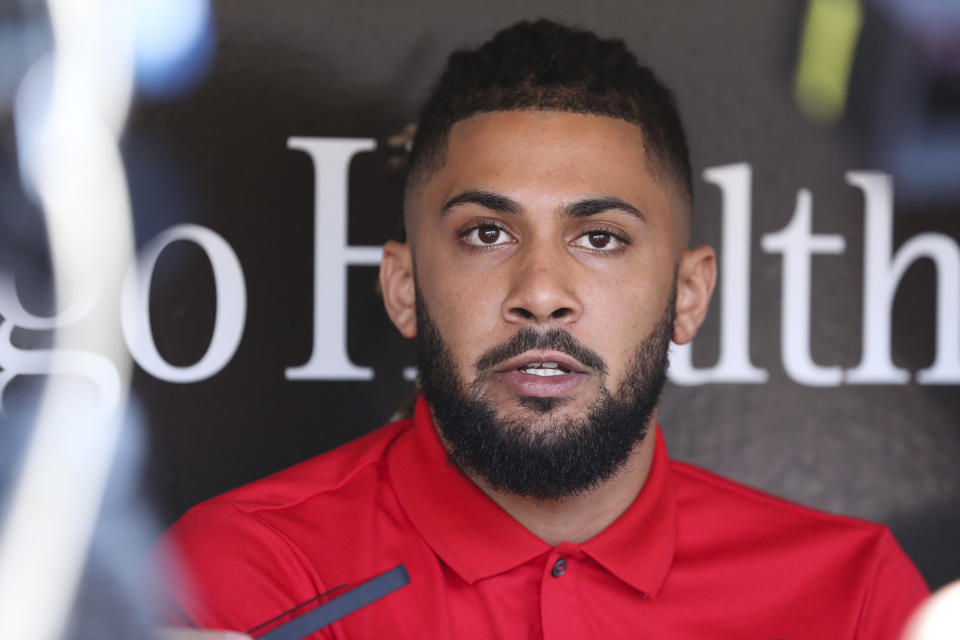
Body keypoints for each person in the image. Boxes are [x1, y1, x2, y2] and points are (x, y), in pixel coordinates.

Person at [158, 19, 929, 639]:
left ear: (689, 295)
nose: (542, 294)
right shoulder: (249, 577)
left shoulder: (854, 598)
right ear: (402, 288)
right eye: (486, 234)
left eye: (600, 238)